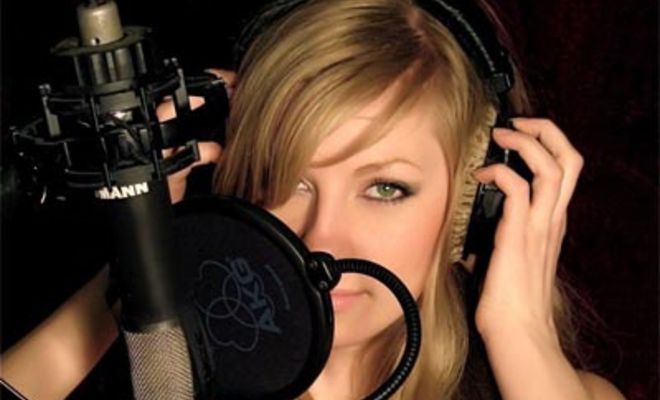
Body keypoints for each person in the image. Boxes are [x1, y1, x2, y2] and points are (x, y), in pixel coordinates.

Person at [1, 0, 625, 399]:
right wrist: (144, 260)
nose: (320, 238)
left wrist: (522, 336)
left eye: (385, 188)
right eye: (289, 178)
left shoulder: (551, 387)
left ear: (475, 208)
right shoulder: (153, 375)